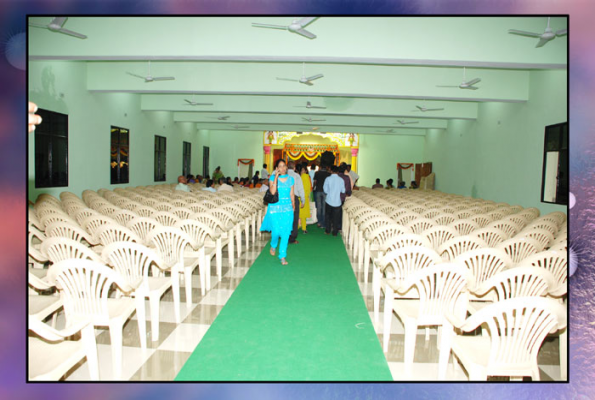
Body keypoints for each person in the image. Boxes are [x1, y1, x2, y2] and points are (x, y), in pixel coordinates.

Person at [260, 159, 295, 265]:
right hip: (275, 208)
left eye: (284, 166)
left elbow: (292, 194)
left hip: (287, 209)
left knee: (286, 232)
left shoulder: (291, 179)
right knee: (275, 231)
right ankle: (273, 244)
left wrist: (293, 207)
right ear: (277, 168)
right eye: (280, 166)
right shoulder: (272, 178)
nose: (283, 168)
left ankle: (282, 255)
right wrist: (275, 177)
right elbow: (272, 191)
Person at [287, 161, 305, 244]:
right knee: (295, 218)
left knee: (286, 218)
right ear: (294, 168)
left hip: (285, 198)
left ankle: (284, 236)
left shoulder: (284, 176)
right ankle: (292, 238)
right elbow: (301, 189)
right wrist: (303, 200)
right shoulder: (297, 176)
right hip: (294, 197)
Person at [323, 165, 345, 236]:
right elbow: (343, 190)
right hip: (337, 202)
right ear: (338, 172)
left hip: (329, 200)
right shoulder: (341, 180)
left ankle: (328, 230)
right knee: (336, 218)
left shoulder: (328, 179)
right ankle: (335, 232)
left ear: (331, 171)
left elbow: (325, 190)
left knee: (328, 216)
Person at [313, 164, 330, 228]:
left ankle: (319, 222)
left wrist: (313, 188)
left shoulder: (317, 173)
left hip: (318, 191)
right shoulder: (328, 174)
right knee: (324, 208)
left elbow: (315, 182)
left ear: (320, 167)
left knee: (319, 207)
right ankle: (323, 223)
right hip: (325, 192)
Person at [297, 164, 312, 234]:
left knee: (298, 213)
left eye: (303, 170)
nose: (302, 171)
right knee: (303, 215)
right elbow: (309, 188)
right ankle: (304, 228)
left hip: (300, 197)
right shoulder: (307, 177)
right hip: (305, 197)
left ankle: (297, 227)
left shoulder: (301, 177)